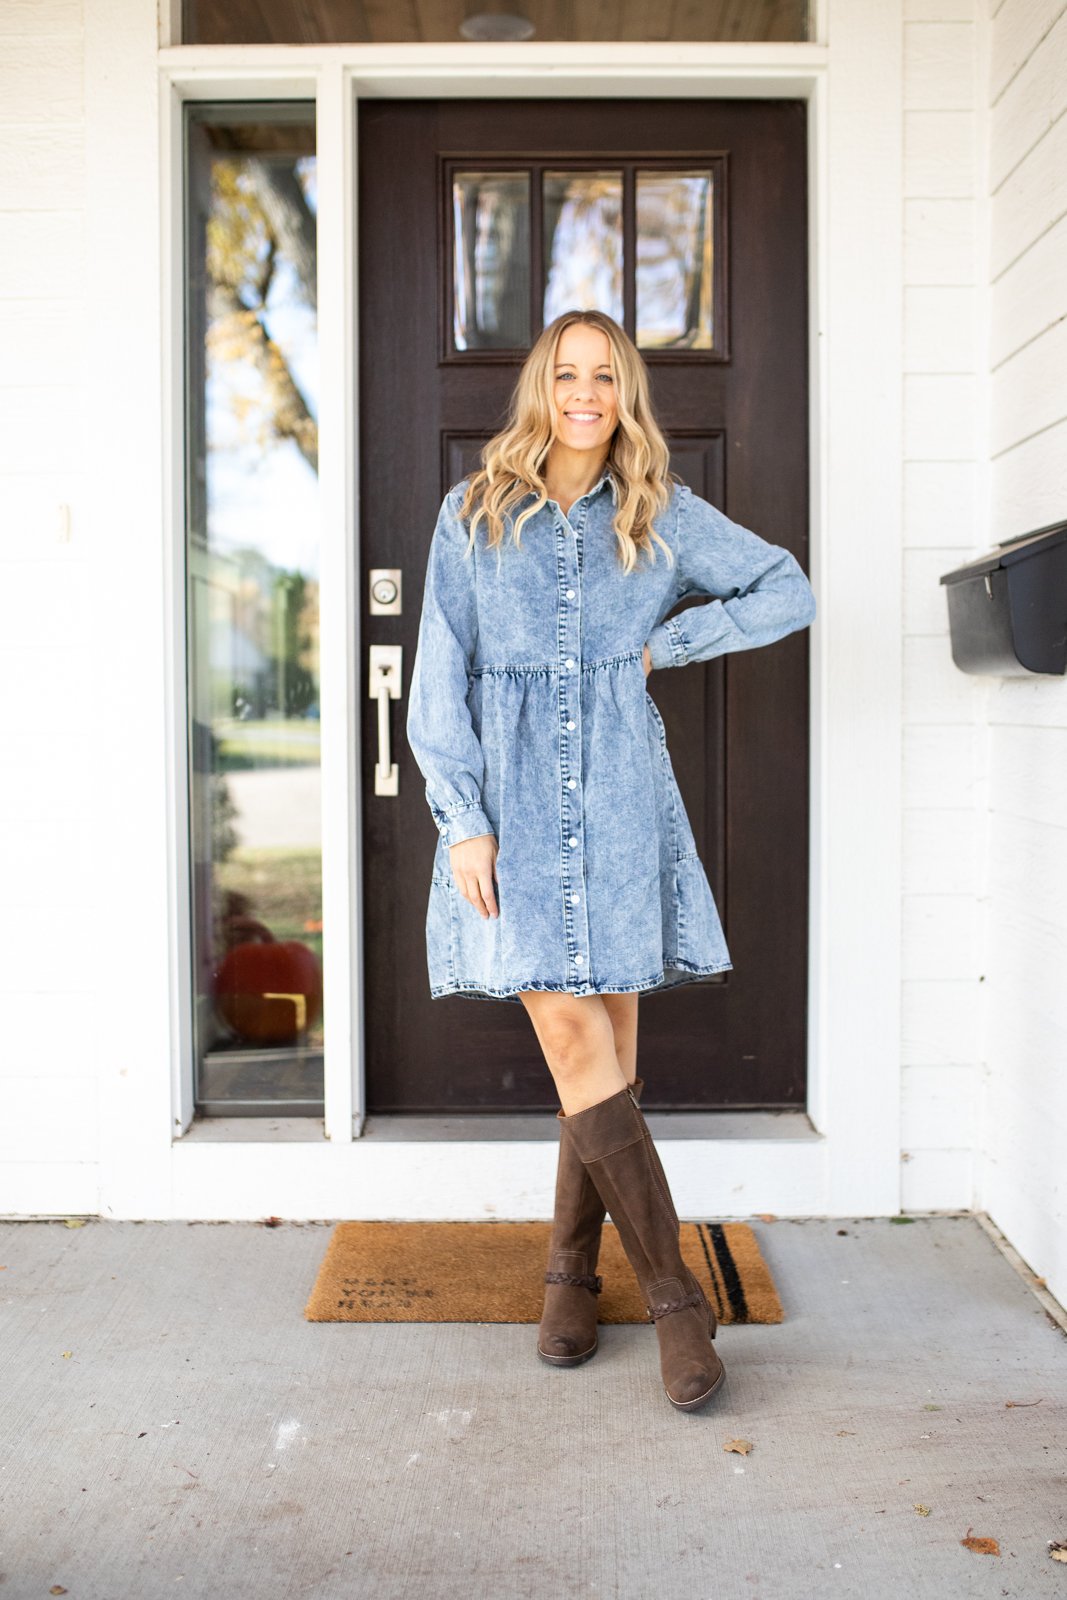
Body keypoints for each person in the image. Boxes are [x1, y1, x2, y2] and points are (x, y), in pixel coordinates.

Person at [406, 308, 816, 1412]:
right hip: (516, 811)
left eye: (603, 376)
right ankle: (679, 1299)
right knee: (566, 1029)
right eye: (566, 373)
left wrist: (665, 645)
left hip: (623, 805)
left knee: (611, 1060)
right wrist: (464, 820)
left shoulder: (659, 513)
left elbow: (786, 588)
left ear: (623, 394)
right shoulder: (474, 513)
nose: (583, 392)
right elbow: (438, 674)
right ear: (540, 387)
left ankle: (567, 1279)